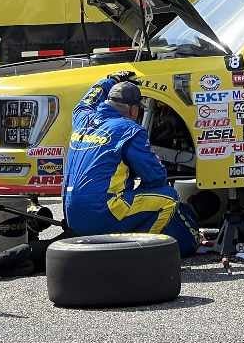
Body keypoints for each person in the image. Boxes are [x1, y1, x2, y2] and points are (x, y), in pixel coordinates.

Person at [62, 71, 201, 256]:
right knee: (168, 198)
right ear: (133, 110)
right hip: (101, 213)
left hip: (71, 215)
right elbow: (155, 177)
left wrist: (110, 80)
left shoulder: (81, 119)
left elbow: (90, 97)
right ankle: (138, 256)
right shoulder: (130, 129)